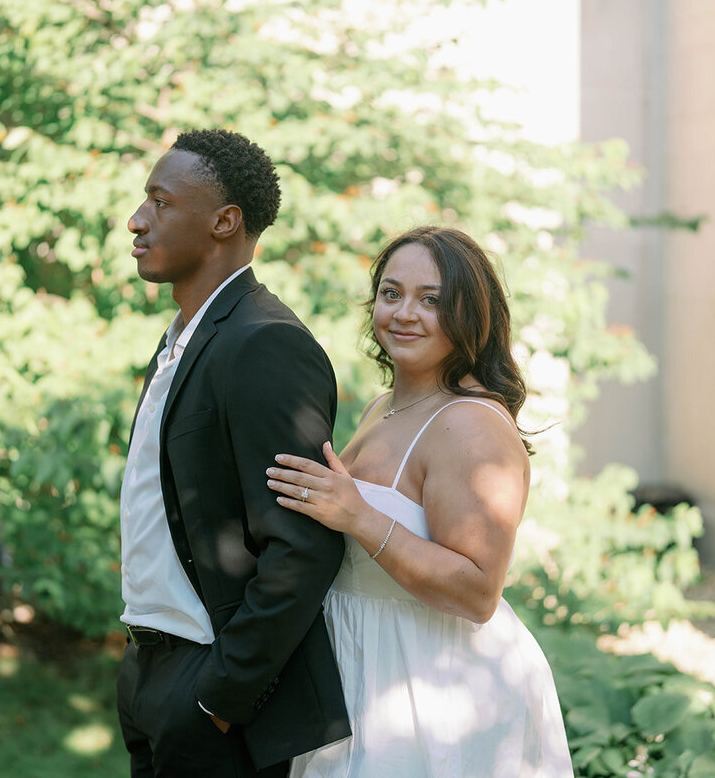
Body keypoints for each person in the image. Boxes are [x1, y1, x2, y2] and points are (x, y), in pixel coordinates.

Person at [268, 226, 574, 777]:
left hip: (435, 689)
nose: (404, 313)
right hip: (360, 668)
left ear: (471, 314)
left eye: (431, 300)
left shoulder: (471, 427)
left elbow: (478, 591)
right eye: (392, 293)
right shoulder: (384, 406)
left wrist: (358, 516)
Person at [115, 129, 350, 777]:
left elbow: (303, 544)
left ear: (225, 221)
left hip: (207, 688)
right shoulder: (182, 341)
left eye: (161, 203)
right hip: (148, 672)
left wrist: (222, 695)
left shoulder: (265, 344)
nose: (137, 221)